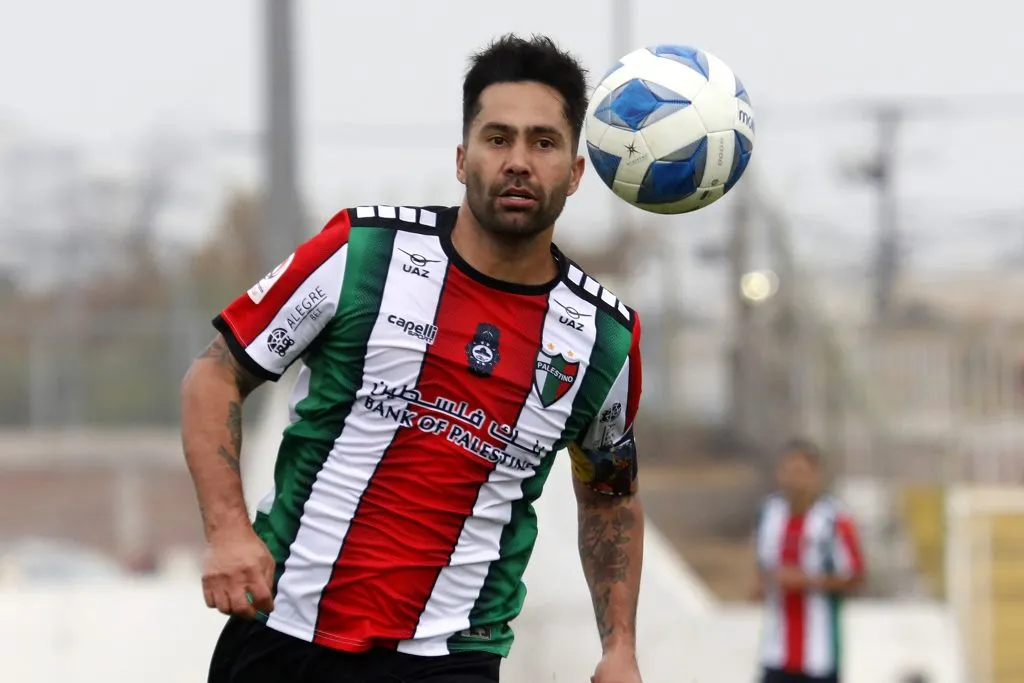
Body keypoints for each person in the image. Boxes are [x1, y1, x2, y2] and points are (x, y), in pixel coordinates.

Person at [180, 33, 645, 683]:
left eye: (543, 142)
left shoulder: (603, 339)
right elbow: (216, 372)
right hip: (285, 631)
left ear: (573, 170)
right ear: (462, 158)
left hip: (450, 654)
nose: (517, 161)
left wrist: (618, 646)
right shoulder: (361, 253)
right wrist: (229, 531)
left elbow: (609, 497)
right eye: (497, 138)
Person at [752, 439, 866, 683]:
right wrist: (761, 585)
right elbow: (762, 567)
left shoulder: (835, 518)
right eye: (788, 471)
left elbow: (856, 577)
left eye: (801, 472)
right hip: (775, 651)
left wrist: (807, 581)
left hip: (819, 655)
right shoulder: (769, 513)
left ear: (815, 475)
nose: (794, 480)